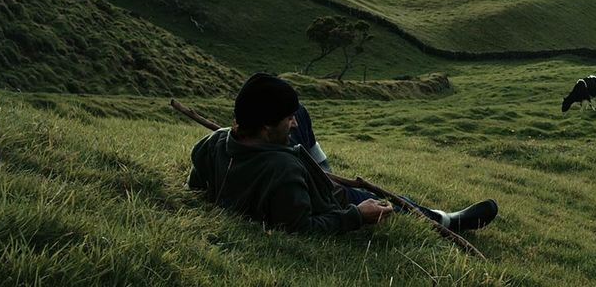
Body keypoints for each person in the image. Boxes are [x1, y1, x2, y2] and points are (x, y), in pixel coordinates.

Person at [189, 72, 497, 235]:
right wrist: (357, 216)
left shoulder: (212, 142)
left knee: (304, 112)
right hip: (329, 199)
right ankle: (445, 221)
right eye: (287, 119)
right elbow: (302, 228)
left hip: (279, 159)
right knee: (368, 198)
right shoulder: (282, 170)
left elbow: (196, 182)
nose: (293, 122)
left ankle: (321, 169)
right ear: (267, 126)